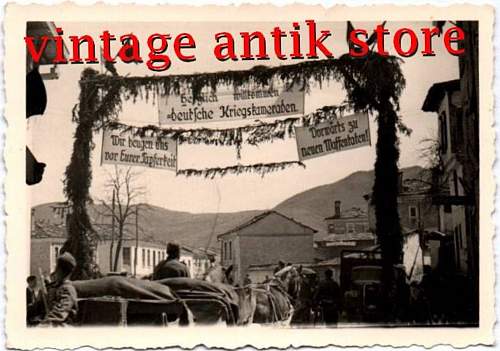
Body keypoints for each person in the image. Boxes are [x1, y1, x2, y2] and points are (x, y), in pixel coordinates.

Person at [40, 252, 78, 326]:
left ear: (61, 271)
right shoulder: (55, 287)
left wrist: (42, 326)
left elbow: (59, 313)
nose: (55, 272)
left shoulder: (67, 289)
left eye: (57, 269)